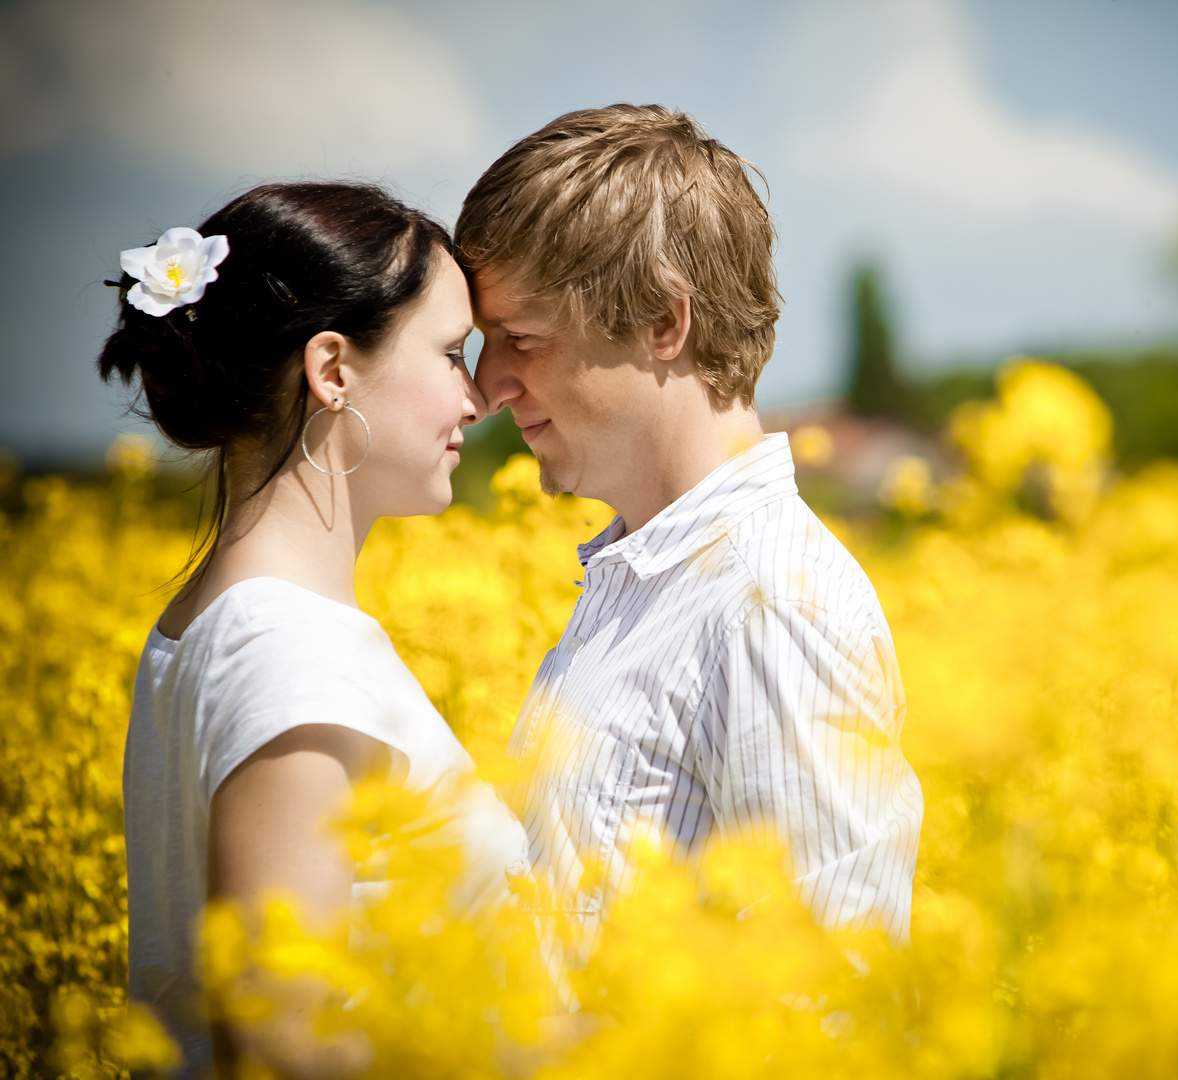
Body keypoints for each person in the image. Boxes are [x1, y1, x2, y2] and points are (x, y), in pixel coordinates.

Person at [455, 105, 925, 1000]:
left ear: (665, 324)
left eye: (521, 338)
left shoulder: (771, 600)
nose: (485, 386)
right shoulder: (642, 583)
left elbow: (824, 999)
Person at [102, 183, 529, 1080]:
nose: (479, 397)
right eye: (453, 353)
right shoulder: (289, 655)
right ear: (332, 370)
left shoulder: (221, 626)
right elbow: (281, 1045)